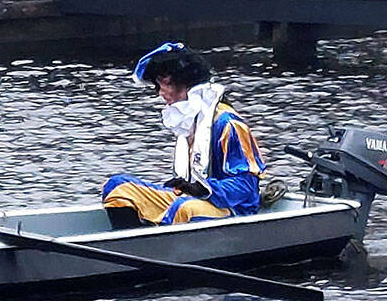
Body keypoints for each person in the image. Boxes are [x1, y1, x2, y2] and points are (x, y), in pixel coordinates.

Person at [101, 42, 265, 228]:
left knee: (184, 209)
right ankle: (129, 245)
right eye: (158, 85)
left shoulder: (227, 123)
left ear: (185, 80)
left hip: (233, 209)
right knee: (118, 187)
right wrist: (185, 188)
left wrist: (203, 189)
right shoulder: (188, 122)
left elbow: (246, 188)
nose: (161, 92)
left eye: (165, 84)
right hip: (191, 198)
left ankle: (161, 248)